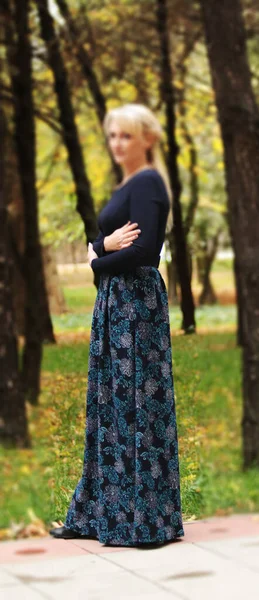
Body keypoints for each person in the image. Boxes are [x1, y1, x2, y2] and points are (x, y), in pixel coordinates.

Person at [50, 103, 185, 546]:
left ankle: (143, 521)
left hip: (136, 306)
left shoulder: (148, 182)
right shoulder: (129, 184)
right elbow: (103, 245)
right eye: (112, 136)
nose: (117, 144)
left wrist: (99, 257)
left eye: (125, 136)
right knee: (109, 405)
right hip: (117, 302)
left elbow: (144, 253)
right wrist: (101, 247)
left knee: (135, 406)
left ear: (147, 139)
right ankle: (98, 513)